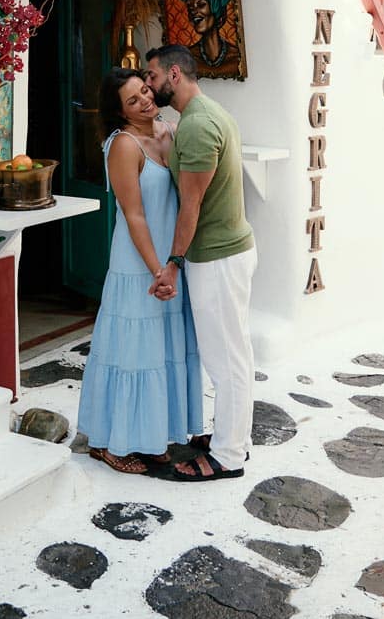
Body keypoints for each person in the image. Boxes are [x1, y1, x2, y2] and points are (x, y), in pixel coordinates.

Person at [76, 67, 205, 474]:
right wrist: (157, 271)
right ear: (120, 111)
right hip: (140, 264)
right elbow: (134, 216)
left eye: (145, 91)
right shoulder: (123, 145)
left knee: (161, 351)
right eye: (133, 100)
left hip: (170, 261)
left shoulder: (170, 131)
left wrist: (173, 264)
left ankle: (150, 437)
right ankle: (109, 444)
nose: (145, 100)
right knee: (131, 352)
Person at [145, 44, 257, 481]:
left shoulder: (197, 125)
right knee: (234, 354)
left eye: (153, 76)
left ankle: (228, 456)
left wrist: (173, 263)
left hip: (217, 258)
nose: (149, 85)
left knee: (225, 360)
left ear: (174, 74)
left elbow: (190, 206)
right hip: (227, 253)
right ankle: (235, 438)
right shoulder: (205, 115)